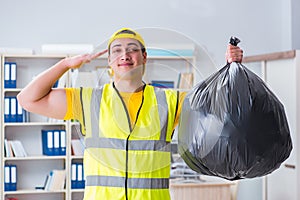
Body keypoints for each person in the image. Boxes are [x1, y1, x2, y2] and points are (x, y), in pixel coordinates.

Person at [17, 28, 243, 200]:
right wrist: (65, 64)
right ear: (109, 61)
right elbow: (27, 99)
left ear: (144, 57)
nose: (124, 54)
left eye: (132, 49)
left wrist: (231, 68)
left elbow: (222, 110)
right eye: (116, 50)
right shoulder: (86, 100)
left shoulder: (171, 101)